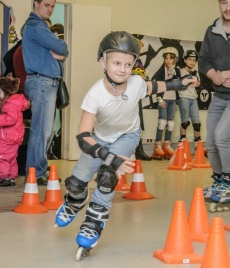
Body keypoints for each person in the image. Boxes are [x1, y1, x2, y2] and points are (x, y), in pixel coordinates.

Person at [54, 31, 197, 255]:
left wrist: (180, 83)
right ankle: (74, 201)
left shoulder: (136, 82)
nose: (122, 69)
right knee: (76, 181)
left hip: (128, 135)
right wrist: (109, 156)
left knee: (107, 175)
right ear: (103, 61)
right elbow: (83, 136)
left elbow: (154, 87)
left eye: (128, 64)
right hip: (99, 138)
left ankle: (93, 224)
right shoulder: (95, 94)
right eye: (117, 63)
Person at [22, 0, 69, 185]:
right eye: (46, 5)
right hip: (41, 82)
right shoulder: (36, 26)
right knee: (41, 130)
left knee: (45, 130)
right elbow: (62, 48)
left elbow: (60, 50)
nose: (50, 9)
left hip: (45, 83)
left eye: (52, 6)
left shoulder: (40, 26)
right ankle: (35, 173)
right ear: (36, 4)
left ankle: (38, 168)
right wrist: (60, 48)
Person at [199, 0, 230, 211]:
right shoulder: (213, 30)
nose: (227, 8)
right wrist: (215, 76)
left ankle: (228, 183)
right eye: (224, 2)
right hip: (219, 94)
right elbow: (203, 60)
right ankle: (219, 181)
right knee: (211, 141)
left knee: (222, 137)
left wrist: (227, 74)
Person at [0, 73, 30, 187]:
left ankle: (2, 177)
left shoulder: (10, 104)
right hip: (13, 137)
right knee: (11, 158)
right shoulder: (13, 103)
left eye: (0, 92)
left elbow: (11, 119)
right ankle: (11, 177)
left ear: (7, 93)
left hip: (7, 137)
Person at [151, 47, 181, 160]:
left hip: (173, 99)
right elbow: (156, 84)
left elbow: (179, 85)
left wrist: (174, 74)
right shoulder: (160, 71)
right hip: (163, 99)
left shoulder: (177, 70)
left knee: (171, 123)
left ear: (175, 60)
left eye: (171, 58)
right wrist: (159, 98)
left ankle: (167, 145)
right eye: (166, 58)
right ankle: (157, 145)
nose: (168, 60)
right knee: (162, 122)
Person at [178, 50, 207, 153]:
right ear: (185, 60)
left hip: (193, 98)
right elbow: (178, 84)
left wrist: (197, 83)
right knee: (185, 121)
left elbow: (199, 84)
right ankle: (182, 142)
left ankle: (198, 145)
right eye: (189, 59)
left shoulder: (195, 71)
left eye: (194, 60)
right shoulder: (180, 71)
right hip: (183, 97)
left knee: (197, 123)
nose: (192, 62)